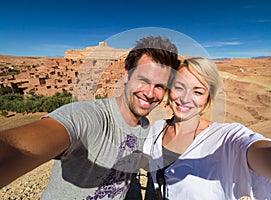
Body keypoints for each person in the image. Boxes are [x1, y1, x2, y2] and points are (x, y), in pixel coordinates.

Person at [0, 35, 180, 199]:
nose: (150, 93)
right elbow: (18, 148)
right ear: (126, 75)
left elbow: (141, 161)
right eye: (144, 80)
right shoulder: (85, 116)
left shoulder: (145, 127)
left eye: (159, 86)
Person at [143, 57, 271, 199]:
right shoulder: (158, 128)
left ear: (207, 99)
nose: (185, 98)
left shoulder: (226, 138)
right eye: (179, 87)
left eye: (197, 92)